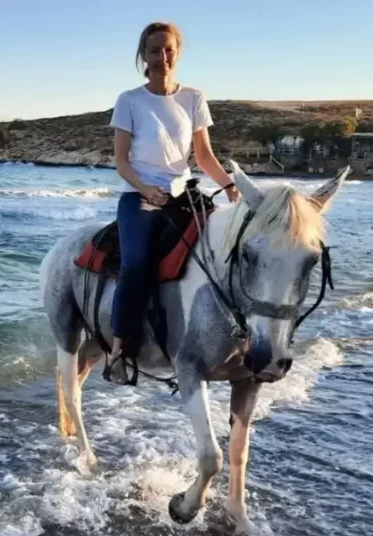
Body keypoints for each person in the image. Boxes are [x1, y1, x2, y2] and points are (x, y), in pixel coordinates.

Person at [107, 21, 240, 377]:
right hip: (141, 195)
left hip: (185, 194)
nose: (162, 57)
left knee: (226, 250)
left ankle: (239, 334)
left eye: (168, 50)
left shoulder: (193, 98)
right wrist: (145, 189)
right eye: (154, 50)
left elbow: (204, 155)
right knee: (134, 265)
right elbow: (121, 160)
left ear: (177, 53)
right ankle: (120, 349)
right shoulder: (129, 101)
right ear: (143, 55)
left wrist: (228, 184)